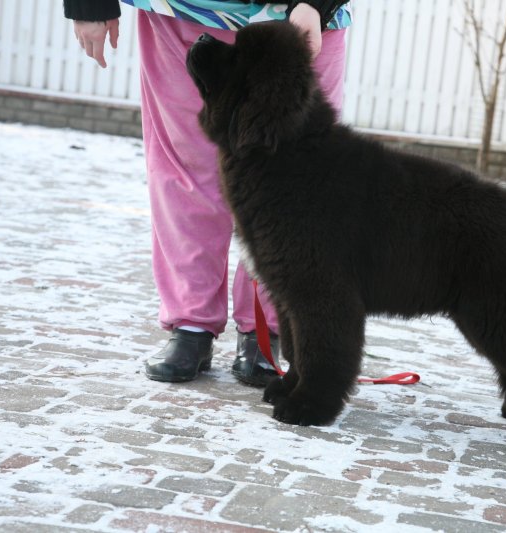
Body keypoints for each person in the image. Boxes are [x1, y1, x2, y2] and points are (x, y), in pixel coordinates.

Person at [63, 0, 350, 386]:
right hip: (185, 11)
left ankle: (266, 331)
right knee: (186, 171)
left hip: (304, 17)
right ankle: (191, 325)